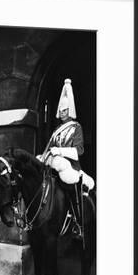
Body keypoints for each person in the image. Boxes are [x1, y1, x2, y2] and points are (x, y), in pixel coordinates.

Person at [39, 78, 88, 238]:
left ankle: (77, 221)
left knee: (70, 182)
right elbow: (48, 149)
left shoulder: (76, 127)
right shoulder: (56, 130)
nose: (62, 113)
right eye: (60, 110)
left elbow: (78, 151)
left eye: (65, 110)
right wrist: (42, 157)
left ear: (70, 110)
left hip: (71, 167)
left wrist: (59, 151)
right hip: (55, 165)